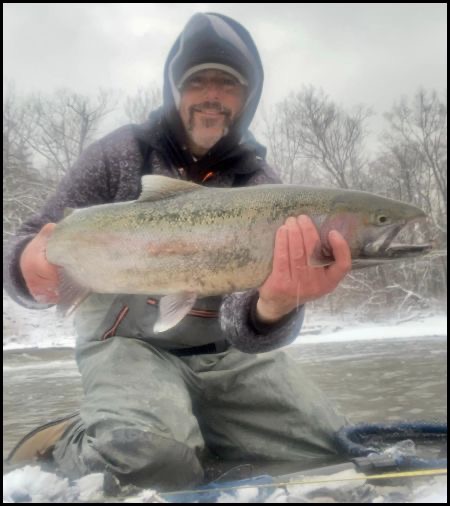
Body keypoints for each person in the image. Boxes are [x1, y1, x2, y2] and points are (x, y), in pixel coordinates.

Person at [4, 12, 351, 490]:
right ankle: (73, 440)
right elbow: (29, 238)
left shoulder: (263, 188)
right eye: (197, 82)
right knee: (150, 457)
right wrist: (28, 265)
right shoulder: (118, 153)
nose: (212, 95)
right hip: (126, 347)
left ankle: (199, 428)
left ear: (247, 97)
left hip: (227, 358)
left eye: (227, 84)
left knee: (326, 452)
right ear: (175, 91)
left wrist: (272, 308)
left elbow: (246, 331)